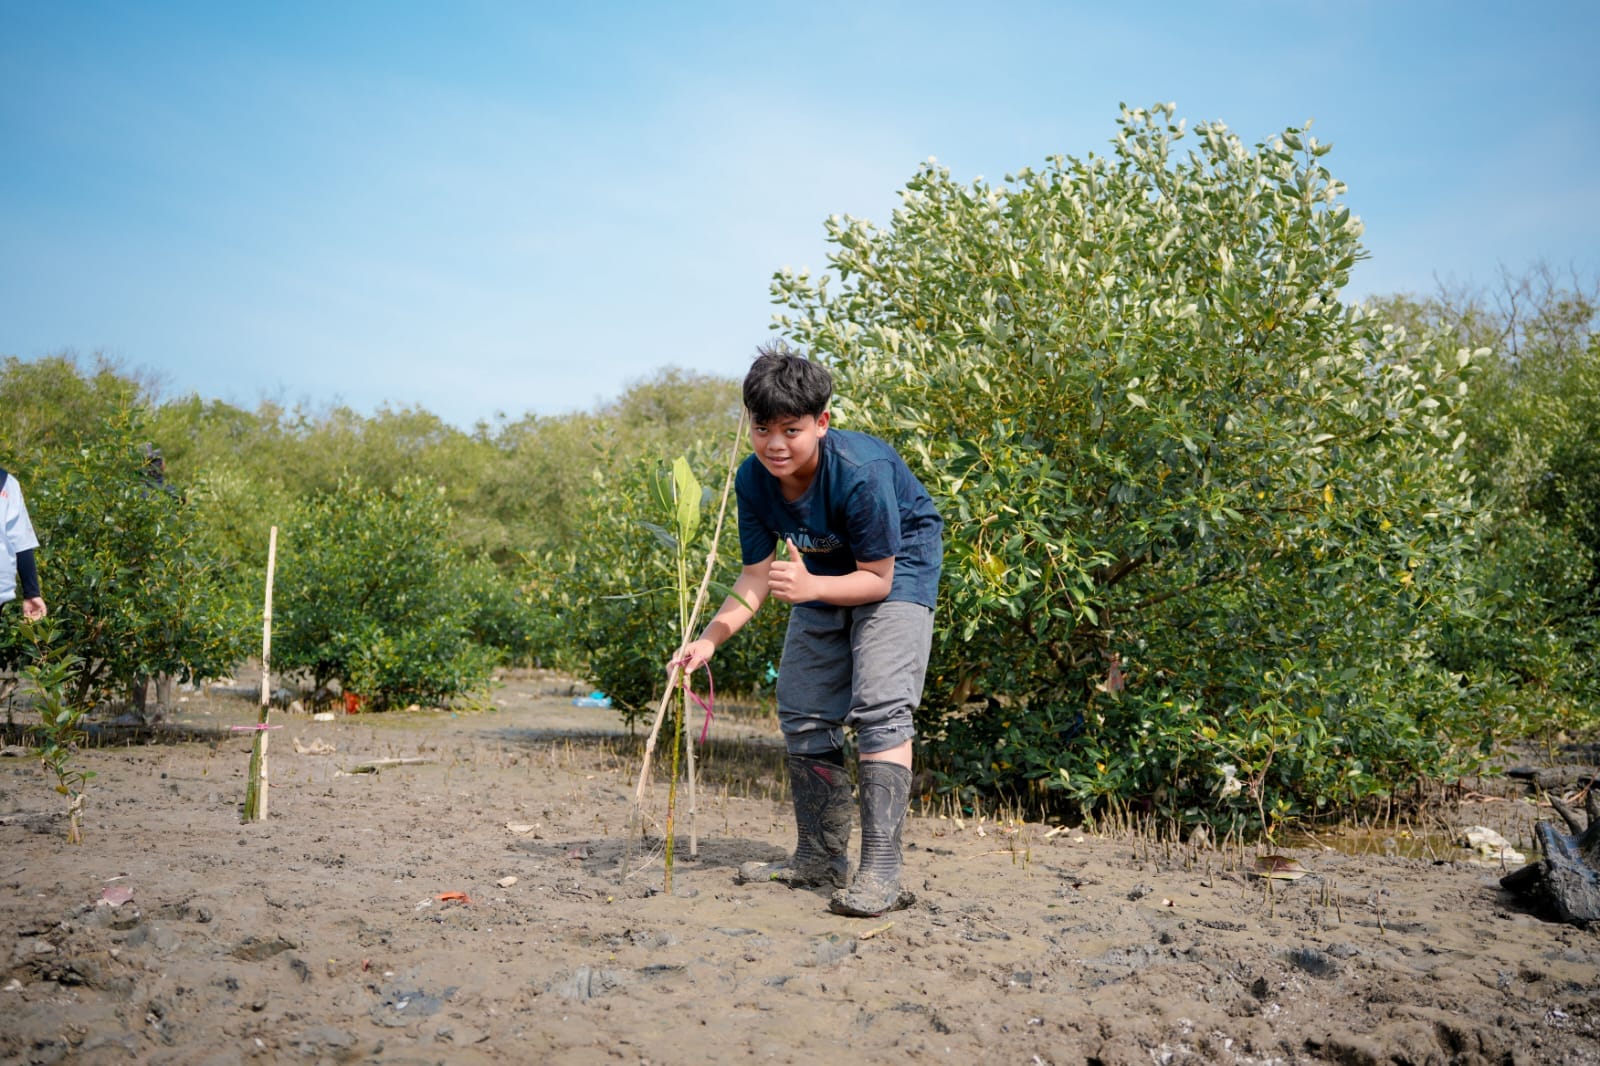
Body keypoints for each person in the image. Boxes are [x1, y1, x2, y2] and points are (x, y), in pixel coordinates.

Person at [672, 343, 943, 917]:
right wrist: (708, 639)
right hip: (819, 571)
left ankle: (881, 873)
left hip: (896, 567)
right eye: (762, 427)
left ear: (821, 423)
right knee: (801, 705)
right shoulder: (753, 480)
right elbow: (754, 579)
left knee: (881, 708)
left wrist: (813, 587)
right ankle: (819, 857)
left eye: (790, 430)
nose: (774, 444)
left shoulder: (861, 473)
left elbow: (875, 580)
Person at [0, 466, 47, 623]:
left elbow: (20, 541)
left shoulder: (8, 483)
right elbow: (20, 541)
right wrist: (32, 592)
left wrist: (32, 592)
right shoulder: (7, 482)